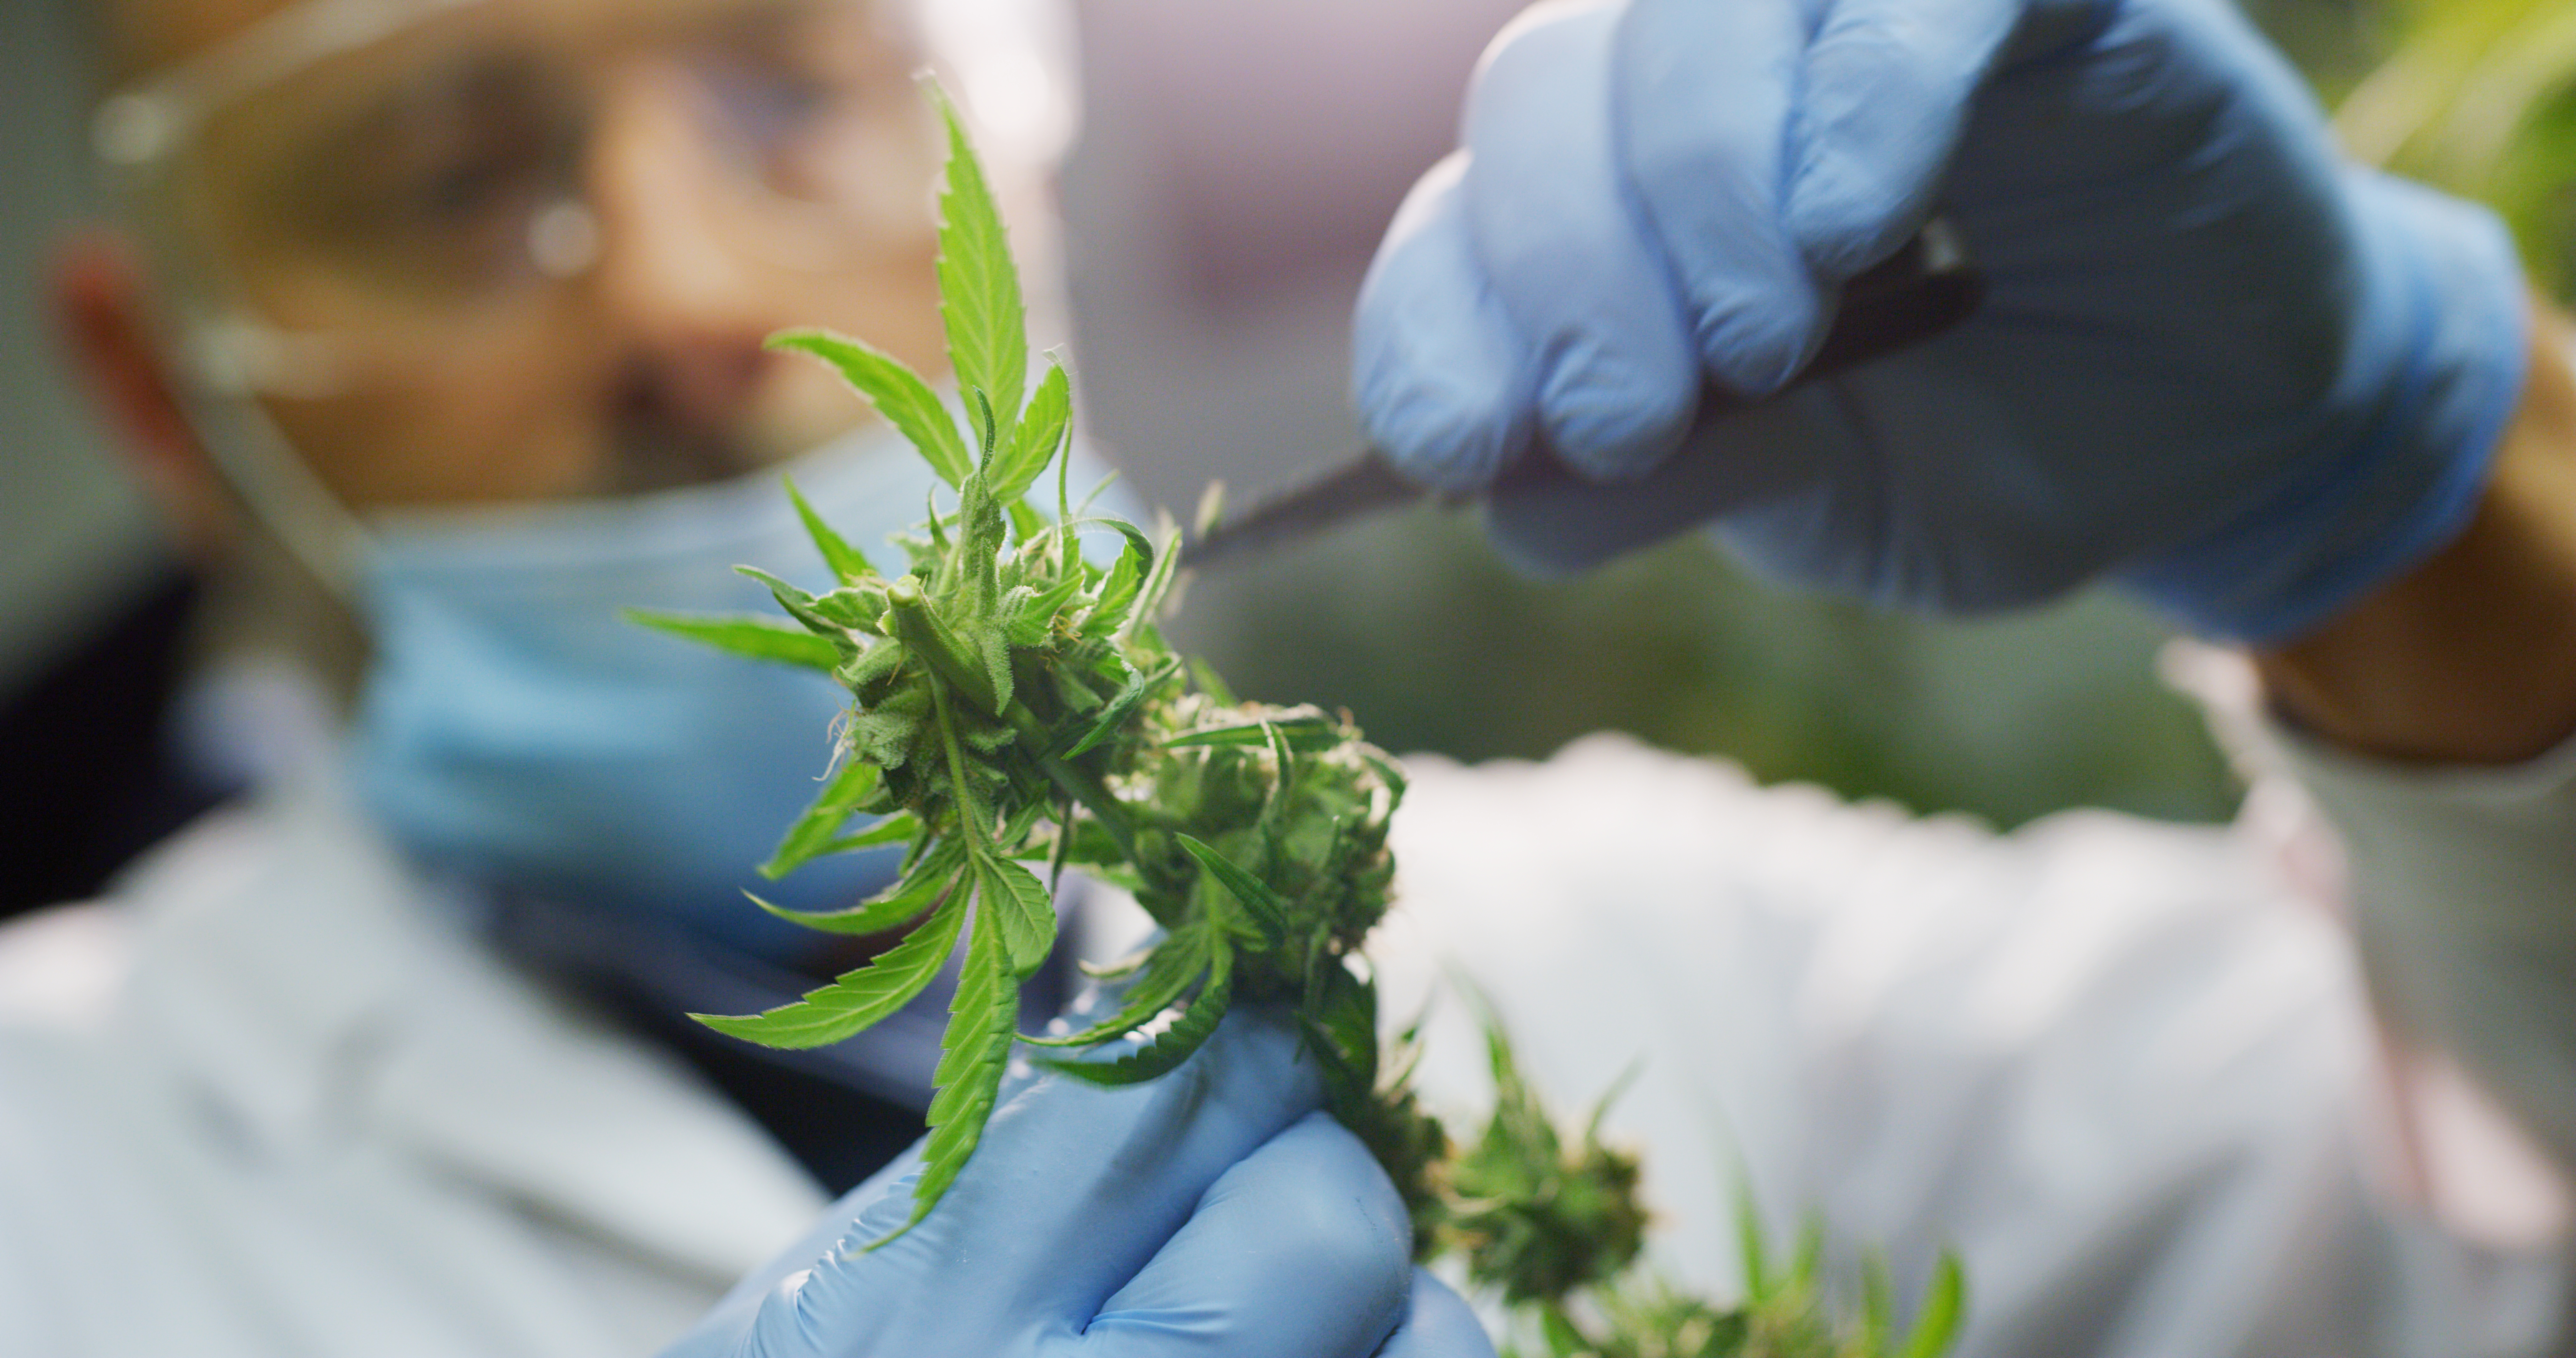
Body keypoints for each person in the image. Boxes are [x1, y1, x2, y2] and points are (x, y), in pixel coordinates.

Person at [2, 0, 2568, 1354]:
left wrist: (2416, 499)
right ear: (166, 395)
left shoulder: (1644, 953)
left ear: (988, 146)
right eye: (446, 181)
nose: (686, 293)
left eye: (788, 84)